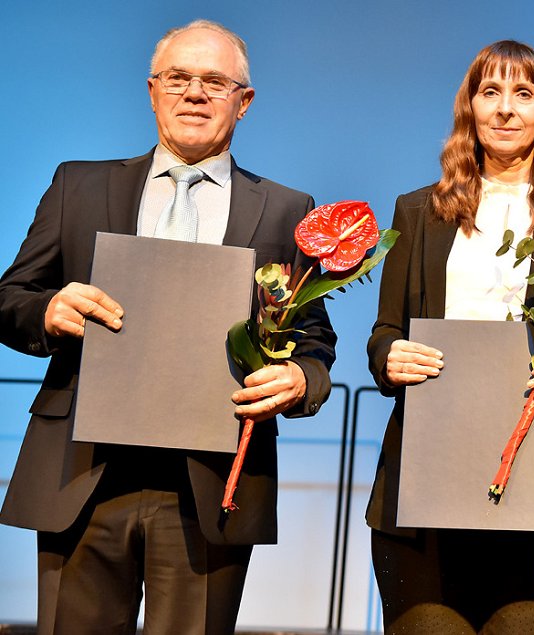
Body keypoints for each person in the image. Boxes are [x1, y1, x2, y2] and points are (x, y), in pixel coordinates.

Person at [0, 20, 335, 634]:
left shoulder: (288, 210)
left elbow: (315, 340)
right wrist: (47, 311)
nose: (194, 93)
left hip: (211, 481)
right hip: (83, 469)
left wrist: (299, 379)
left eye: (214, 80)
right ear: (152, 90)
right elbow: (11, 296)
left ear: (244, 101)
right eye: (177, 78)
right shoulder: (80, 184)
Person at [365, 40, 534, 634]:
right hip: (425, 486)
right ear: (469, 108)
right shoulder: (416, 213)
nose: (506, 109)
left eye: (523, 94)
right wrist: (389, 356)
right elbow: (384, 332)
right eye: (491, 92)